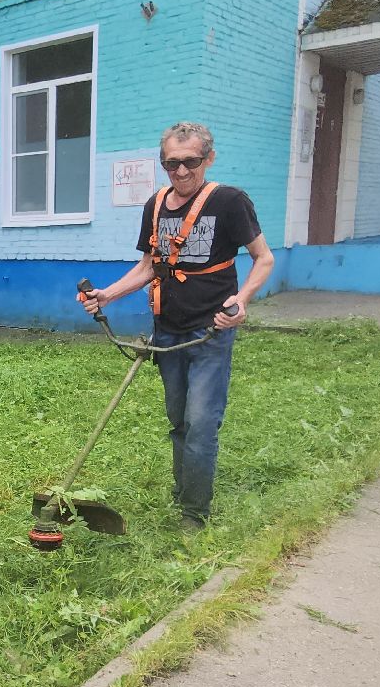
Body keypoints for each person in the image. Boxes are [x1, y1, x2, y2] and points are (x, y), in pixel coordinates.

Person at [78, 122, 275, 528]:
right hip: (167, 330)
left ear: (208, 159)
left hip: (210, 331)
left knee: (201, 422)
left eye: (190, 162)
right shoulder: (154, 205)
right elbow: (149, 266)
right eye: (171, 164)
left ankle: (194, 513)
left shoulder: (230, 202)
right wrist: (107, 295)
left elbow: (264, 259)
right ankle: (184, 488)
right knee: (179, 419)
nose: (181, 172)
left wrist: (240, 301)